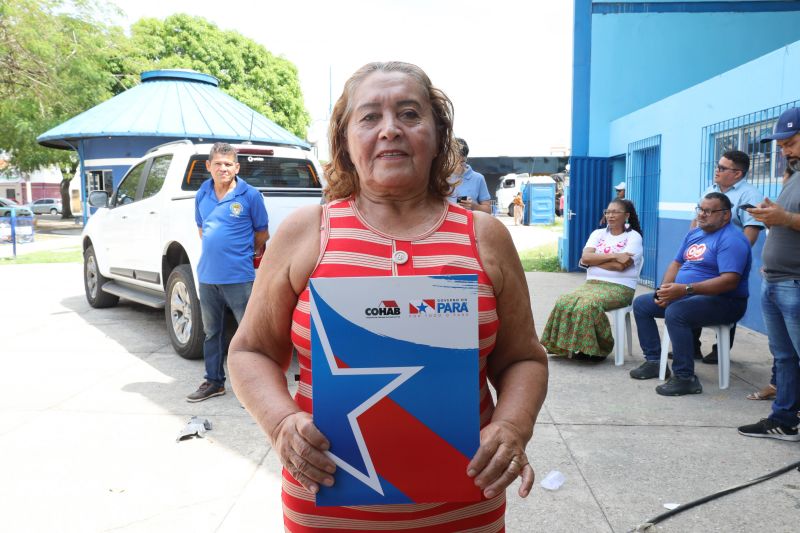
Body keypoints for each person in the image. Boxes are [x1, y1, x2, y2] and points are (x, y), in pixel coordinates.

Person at [227, 61, 549, 530]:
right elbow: (250, 351)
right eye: (370, 117)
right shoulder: (304, 233)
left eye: (409, 114)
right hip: (326, 507)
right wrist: (279, 423)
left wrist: (513, 426)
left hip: (462, 512)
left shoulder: (486, 237)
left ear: (438, 136)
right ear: (344, 141)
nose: (390, 130)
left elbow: (524, 359)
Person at [629, 192, 751, 396]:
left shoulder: (732, 239)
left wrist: (685, 289)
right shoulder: (695, 233)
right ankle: (654, 361)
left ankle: (685, 377)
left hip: (725, 301)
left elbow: (730, 281)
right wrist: (664, 290)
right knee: (642, 305)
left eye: (709, 211)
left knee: (677, 312)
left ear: (726, 215)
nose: (702, 215)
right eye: (700, 209)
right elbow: (677, 263)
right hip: (687, 295)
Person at [187, 142, 269, 402]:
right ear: (208, 166)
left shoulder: (250, 196)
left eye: (228, 164)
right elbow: (202, 229)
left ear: (236, 167)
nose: (222, 168)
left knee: (249, 335)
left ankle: (255, 388)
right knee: (212, 333)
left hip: (239, 278)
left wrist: (240, 254)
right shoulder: (202, 193)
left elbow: (262, 233)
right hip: (207, 277)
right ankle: (214, 382)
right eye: (217, 164)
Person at [738, 107, 800, 441]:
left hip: (796, 283)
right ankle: (785, 421)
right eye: (781, 145)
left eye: (790, 142)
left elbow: (792, 220)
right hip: (775, 278)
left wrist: (786, 219)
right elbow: (789, 219)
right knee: (785, 357)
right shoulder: (794, 175)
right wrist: (771, 216)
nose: (784, 150)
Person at [540, 198, 643, 361]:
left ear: (627, 216)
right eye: (607, 212)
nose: (610, 215)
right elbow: (586, 257)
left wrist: (594, 262)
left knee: (588, 305)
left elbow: (620, 267)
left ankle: (597, 349)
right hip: (592, 284)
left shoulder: (634, 237)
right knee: (564, 301)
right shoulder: (598, 234)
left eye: (615, 212)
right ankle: (568, 347)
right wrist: (615, 255)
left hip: (620, 287)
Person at [688, 150, 764, 365]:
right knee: (690, 293)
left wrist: (735, 259)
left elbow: (751, 230)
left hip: (727, 259)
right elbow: (697, 221)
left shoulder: (750, 195)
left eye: (722, 168)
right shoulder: (710, 190)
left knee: (726, 297)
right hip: (702, 256)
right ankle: (692, 346)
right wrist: (689, 246)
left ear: (738, 174)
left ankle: (720, 350)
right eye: (717, 166)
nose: (717, 171)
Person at [448, 137, 492, 213]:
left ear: (466, 159)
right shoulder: (441, 177)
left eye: (462, 162)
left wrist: (474, 206)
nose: (458, 166)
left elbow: (488, 211)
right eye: (454, 162)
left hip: (469, 223)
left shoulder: (478, 178)